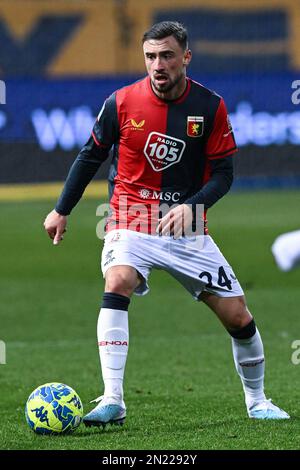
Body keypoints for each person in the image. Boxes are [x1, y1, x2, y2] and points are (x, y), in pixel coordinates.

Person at [44, 21, 289, 426]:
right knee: (118, 279)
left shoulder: (210, 107)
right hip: (130, 218)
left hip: (186, 228)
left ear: (186, 58)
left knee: (238, 317)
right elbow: (91, 155)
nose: (157, 65)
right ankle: (112, 399)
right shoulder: (121, 102)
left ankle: (258, 400)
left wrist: (193, 206)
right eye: (150, 56)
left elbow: (223, 174)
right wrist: (61, 209)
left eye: (167, 56)